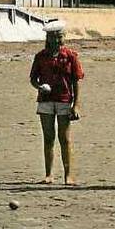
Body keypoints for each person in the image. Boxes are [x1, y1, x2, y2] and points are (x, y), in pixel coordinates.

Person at [29, 19, 83, 185]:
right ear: (48, 38)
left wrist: (76, 104)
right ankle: (49, 174)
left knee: (65, 139)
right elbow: (33, 78)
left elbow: (76, 80)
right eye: (54, 37)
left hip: (64, 100)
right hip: (45, 101)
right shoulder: (40, 56)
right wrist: (39, 86)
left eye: (60, 37)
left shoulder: (71, 56)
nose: (57, 40)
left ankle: (68, 175)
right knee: (48, 138)